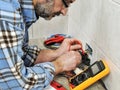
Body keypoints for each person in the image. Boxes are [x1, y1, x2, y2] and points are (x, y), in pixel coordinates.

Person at [0, 0, 82, 89]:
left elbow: (22, 54)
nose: (64, 12)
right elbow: (18, 83)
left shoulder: (18, 9)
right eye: (66, 3)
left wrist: (57, 53)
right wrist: (60, 65)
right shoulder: (7, 16)